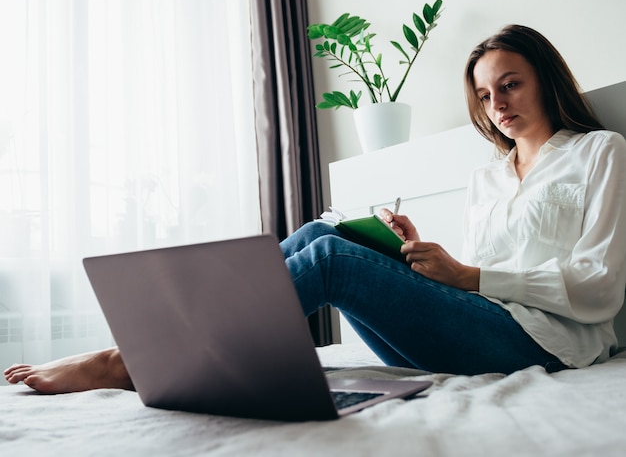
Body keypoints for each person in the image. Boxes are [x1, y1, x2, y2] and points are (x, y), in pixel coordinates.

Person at [5, 24, 626, 393]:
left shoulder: (599, 152)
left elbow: (599, 290)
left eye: (510, 84)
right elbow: (482, 276)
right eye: (485, 94)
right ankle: (153, 342)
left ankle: (128, 360)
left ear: (543, 77)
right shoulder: (486, 176)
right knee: (322, 232)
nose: (496, 104)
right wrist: (418, 254)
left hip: (547, 345)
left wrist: (468, 277)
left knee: (331, 260)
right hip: (475, 325)